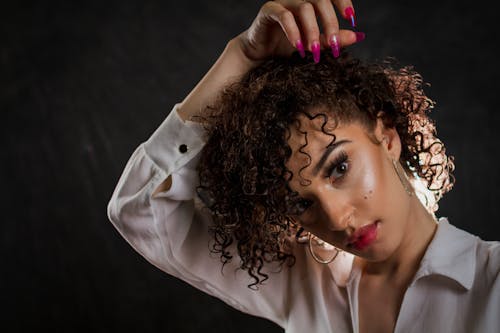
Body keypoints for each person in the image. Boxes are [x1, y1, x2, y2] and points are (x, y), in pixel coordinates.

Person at [107, 1, 500, 332]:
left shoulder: (492, 282)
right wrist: (241, 55)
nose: (336, 217)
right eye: (300, 203)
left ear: (387, 134)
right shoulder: (303, 281)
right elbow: (140, 209)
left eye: (339, 168)